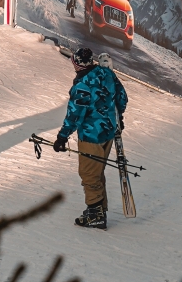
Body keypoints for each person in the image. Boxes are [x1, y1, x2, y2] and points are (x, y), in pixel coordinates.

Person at [53, 46, 128, 230]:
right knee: (97, 170)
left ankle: (95, 215)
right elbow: (122, 97)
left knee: (89, 173)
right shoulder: (106, 74)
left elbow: (74, 116)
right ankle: (99, 209)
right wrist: (120, 117)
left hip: (91, 135)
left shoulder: (82, 86)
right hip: (109, 131)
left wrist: (62, 137)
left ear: (76, 64)